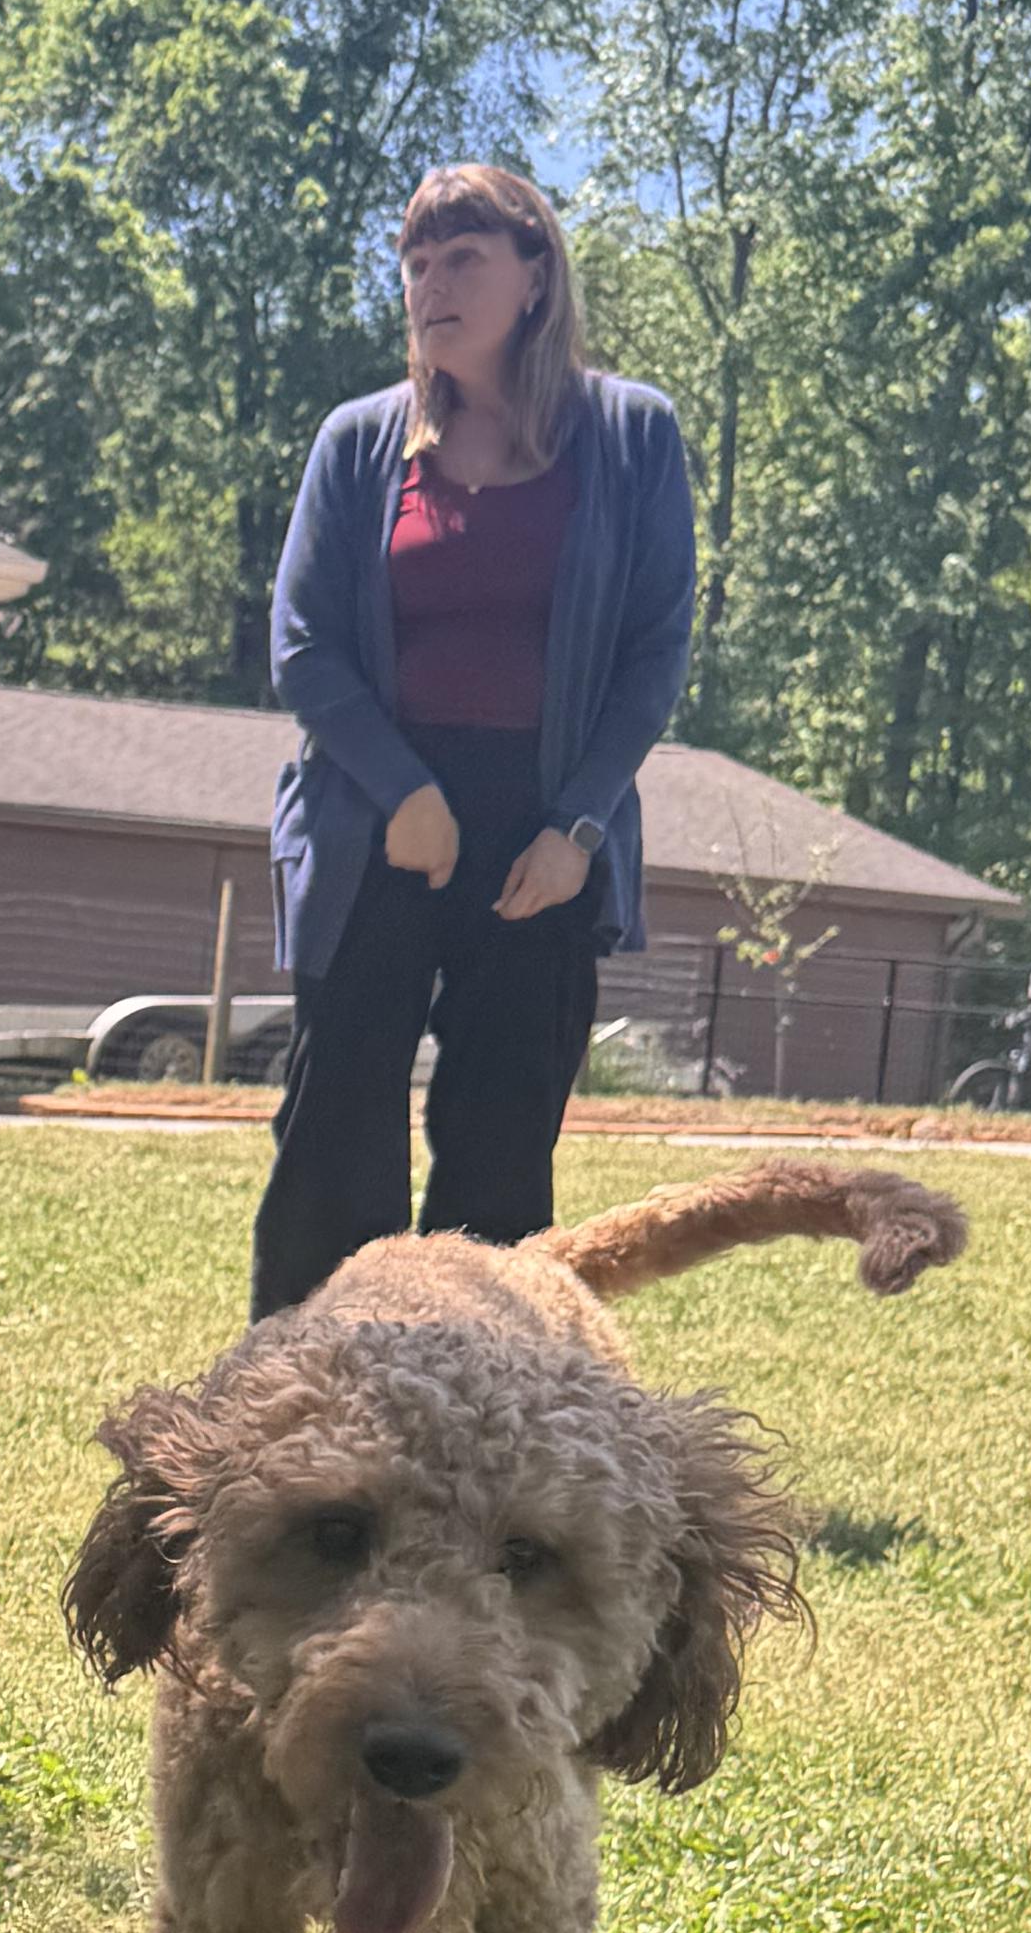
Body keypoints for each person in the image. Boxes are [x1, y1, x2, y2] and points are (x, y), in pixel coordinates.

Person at [246, 165, 698, 1316]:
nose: (430, 285)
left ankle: (486, 1420)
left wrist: (577, 827)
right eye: (415, 263)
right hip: (375, 822)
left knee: (501, 1152)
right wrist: (403, 791)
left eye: (463, 259)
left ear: (535, 275)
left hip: (544, 832)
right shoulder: (359, 445)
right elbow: (302, 646)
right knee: (335, 1133)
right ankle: (291, 1410)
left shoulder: (633, 435)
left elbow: (653, 655)